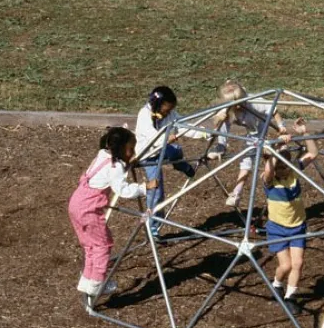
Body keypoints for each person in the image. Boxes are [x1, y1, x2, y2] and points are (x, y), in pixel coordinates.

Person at [68, 127, 158, 297]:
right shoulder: (114, 166)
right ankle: (97, 284)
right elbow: (122, 190)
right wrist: (145, 187)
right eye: (130, 149)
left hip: (76, 204)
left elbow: (111, 171)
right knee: (103, 245)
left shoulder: (103, 154)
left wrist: (128, 162)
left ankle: (87, 280)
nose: (132, 153)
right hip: (89, 211)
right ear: (120, 149)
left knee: (90, 246)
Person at [262, 118, 318, 315]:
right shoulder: (269, 181)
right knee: (285, 265)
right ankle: (277, 284)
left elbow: (312, 153)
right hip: (277, 228)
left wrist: (305, 133)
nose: (286, 172)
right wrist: (278, 143)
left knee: (298, 263)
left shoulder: (293, 171)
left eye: (288, 168)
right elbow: (269, 166)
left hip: (297, 225)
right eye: (282, 169)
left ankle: (290, 296)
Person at [207, 80, 287, 208]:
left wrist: (281, 126)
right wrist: (219, 118)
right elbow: (217, 127)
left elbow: (274, 110)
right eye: (234, 105)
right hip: (251, 131)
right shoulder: (228, 108)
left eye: (240, 103)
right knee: (246, 159)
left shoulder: (255, 102)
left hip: (260, 127)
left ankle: (269, 189)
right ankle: (221, 148)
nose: (238, 107)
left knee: (256, 156)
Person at [135, 86, 198, 236]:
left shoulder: (169, 114)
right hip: (149, 156)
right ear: (158, 105)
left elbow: (183, 126)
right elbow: (153, 138)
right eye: (166, 109)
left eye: (170, 110)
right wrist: (167, 138)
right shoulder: (144, 114)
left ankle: (182, 166)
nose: (168, 113)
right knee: (157, 192)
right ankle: (153, 226)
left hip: (164, 149)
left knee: (176, 151)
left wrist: (203, 133)